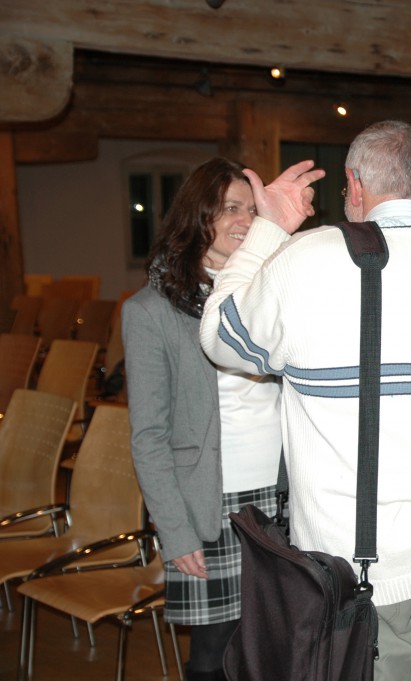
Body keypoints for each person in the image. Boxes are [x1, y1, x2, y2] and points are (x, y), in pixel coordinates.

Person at [199, 121, 411, 681]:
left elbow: (219, 338)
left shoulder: (302, 262)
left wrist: (268, 230)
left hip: (355, 571)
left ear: (353, 185)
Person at [123, 158, 285, 681]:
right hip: (209, 504)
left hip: (282, 497)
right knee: (215, 658)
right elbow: (148, 436)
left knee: (279, 646)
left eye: (251, 209)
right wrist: (175, 531)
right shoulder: (151, 310)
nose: (244, 220)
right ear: (198, 218)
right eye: (230, 209)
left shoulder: (271, 292)